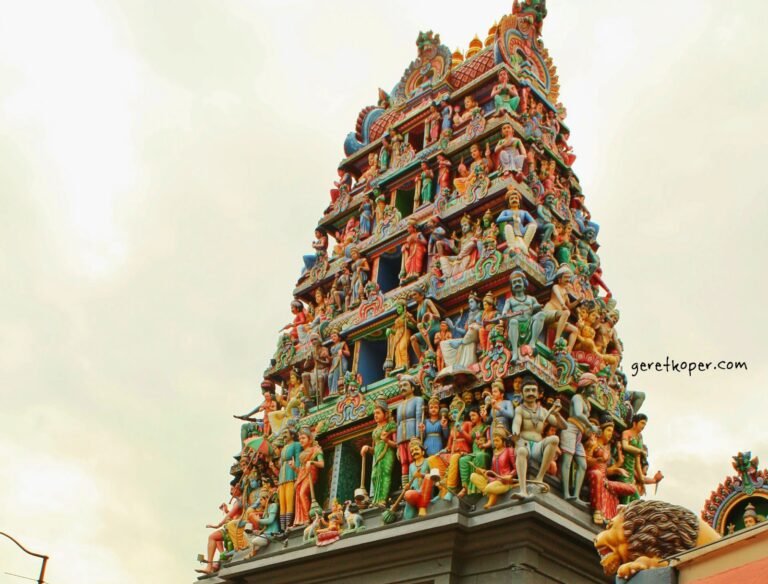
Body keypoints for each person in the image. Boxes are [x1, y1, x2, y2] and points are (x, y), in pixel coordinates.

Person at [512, 376, 567, 498]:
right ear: (521, 393)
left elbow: (563, 426)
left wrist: (557, 414)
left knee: (554, 439)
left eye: (533, 390)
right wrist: (515, 435)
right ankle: (523, 490)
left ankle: (539, 478)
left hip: (537, 446)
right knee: (521, 451)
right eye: (527, 390)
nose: (530, 393)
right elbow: (516, 423)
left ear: (538, 394)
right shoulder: (519, 410)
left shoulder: (543, 411)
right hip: (524, 445)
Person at [560, 374, 599, 500]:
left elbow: (584, 420)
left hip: (579, 435)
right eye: (592, 387)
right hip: (570, 430)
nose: (594, 390)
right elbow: (577, 413)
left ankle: (576, 495)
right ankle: (566, 493)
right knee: (567, 462)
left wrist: (591, 430)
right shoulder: (577, 398)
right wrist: (590, 425)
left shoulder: (587, 403)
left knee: (582, 465)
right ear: (585, 385)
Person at [197, 482, 244, 574]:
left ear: (238, 488)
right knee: (216, 538)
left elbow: (231, 515)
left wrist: (217, 525)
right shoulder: (237, 501)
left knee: (212, 537)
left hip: (236, 529)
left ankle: (210, 565)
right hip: (230, 527)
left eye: (232, 489)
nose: (231, 491)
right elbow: (232, 514)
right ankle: (218, 558)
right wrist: (226, 510)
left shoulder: (240, 500)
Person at [500, 270, 546, 362]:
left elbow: (539, 309)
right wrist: (505, 315)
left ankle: (532, 342)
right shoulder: (510, 300)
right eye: (514, 282)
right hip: (516, 325)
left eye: (519, 281)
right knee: (513, 321)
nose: (517, 284)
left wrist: (536, 307)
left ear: (524, 284)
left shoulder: (531, 299)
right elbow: (504, 312)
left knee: (541, 315)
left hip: (529, 324)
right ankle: (515, 352)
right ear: (512, 287)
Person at [469, 426, 516, 509]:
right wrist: (484, 472)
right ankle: (492, 493)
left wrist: (510, 475)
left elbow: (516, 468)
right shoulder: (495, 453)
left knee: (489, 488)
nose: (495, 443)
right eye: (494, 441)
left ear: (503, 441)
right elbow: (493, 471)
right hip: (494, 480)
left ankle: (492, 496)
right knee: (473, 476)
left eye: (497, 440)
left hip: (504, 481)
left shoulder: (509, 450)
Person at [361, 399, 397, 506]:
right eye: (374, 413)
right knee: (374, 476)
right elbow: (374, 449)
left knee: (385, 474)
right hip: (377, 456)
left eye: (378, 413)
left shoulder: (390, 426)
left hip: (387, 452)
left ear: (385, 414)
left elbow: (396, 444)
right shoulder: (375, 431)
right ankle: (376, 500)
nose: (375, 415)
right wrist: (367, 448)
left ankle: (382, 499)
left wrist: (386, 440)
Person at [395, 375, 424, 488]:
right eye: (401, 386)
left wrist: (417, 436)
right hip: (401, 438)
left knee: (414, 459)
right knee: (404, 462)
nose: (403, 387)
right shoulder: (399, 406)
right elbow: (398, 424)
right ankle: (405, 487)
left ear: (412, 388)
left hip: (412, 435)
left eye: (405, 385)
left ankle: (415, 485)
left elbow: (418, 417)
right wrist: (397, 444)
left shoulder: (418, 400)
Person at [292, 427, 324, 527]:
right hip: (302, 474)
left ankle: (307, 518)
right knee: (299, 493)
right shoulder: (301, 454)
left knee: (302, 493)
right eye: (300, 438)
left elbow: (322, 464)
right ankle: (302, 519)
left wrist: (312, 462)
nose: (301, 440)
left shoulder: (316, 450)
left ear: (310, 439)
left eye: (303, 438)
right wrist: (294, 467)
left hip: (311, 473)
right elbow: (301, 470)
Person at [496, 190, 537, 256]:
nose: (514, 200)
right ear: (509, 202)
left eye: (516, 198)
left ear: (519, 202)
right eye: (512, 199)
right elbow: (498, 219)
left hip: (522, 231)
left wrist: (531, 224)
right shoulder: (506, 212)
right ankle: (511, 247)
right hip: (511, 231)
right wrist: (511, 218)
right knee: (507, 226)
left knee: (533, 226)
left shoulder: (524, 212)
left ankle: (525, 245)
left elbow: (533, 222)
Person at [277, 428, 302, 531]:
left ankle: (288, 524)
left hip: (291, 475)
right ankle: (282, 527)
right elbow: (281, 463)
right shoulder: (284, 448)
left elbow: (297, 459)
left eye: (286, 433)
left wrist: (297, 476)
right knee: (282, 502)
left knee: (289, 500)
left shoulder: (296, 445)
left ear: (292, 435)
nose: (284, 435)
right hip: (282, 477)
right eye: (283, 433)